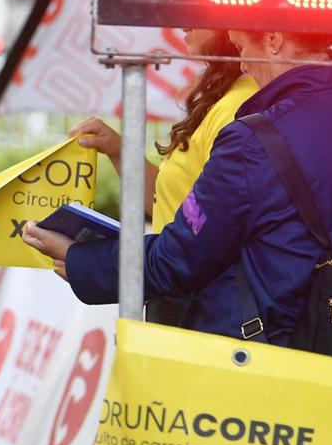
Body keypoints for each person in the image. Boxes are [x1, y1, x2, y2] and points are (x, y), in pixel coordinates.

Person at [25, 28, 332, 345]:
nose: (241, 64)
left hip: (268, 364)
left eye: (240, 47)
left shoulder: (251, 141)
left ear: (273, 38)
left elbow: (178, 259)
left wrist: (80, 260)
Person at [65, 30, 254, 326]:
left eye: (200, 10)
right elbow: (180, 207)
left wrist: (89, 263)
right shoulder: (226, 97)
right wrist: (119, 150)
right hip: (183, 295)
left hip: (200, 307)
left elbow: (208, 231)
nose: (181, 23)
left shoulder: (238, 105)